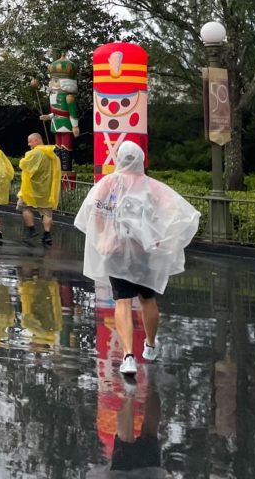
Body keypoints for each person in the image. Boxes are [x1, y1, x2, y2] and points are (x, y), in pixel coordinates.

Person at [75, 141, 199, 378]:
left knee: (122, 301)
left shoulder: (108, 183)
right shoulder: (151, 186)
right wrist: (159, 235)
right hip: (145, 251)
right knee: (147, 299)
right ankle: (150, 345)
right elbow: (175, 211)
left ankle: (128, 356)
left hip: (116, 251)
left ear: (120, 159)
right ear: (141, 160)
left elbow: (94, 209)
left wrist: (103, 237)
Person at [18, 132, 62, 246]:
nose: (29, 144)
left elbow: (25, 165)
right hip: (47, 189)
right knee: (47, 212)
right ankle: (47, 234)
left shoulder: (34, 153)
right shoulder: (52, 154)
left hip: (31, 188)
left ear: (36, 140)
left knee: (24, 207)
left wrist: (22, 160)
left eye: (30, 141)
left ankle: (31, 229)